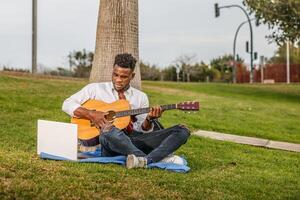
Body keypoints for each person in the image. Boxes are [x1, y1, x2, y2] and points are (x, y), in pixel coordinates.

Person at [62, 53, 190, 169]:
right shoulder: (94, 89)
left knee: (182, 130)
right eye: (115, 75)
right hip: (110, 141)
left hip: (133, 141)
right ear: (112, 71)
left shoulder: (140, 97)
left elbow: (141, 129)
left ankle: (144, 160)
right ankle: (153, 158)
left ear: (132, 76)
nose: (118, 80)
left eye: (123, 77)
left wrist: (150, 119)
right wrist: (92, 114)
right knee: (107, 130)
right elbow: (67, 104)